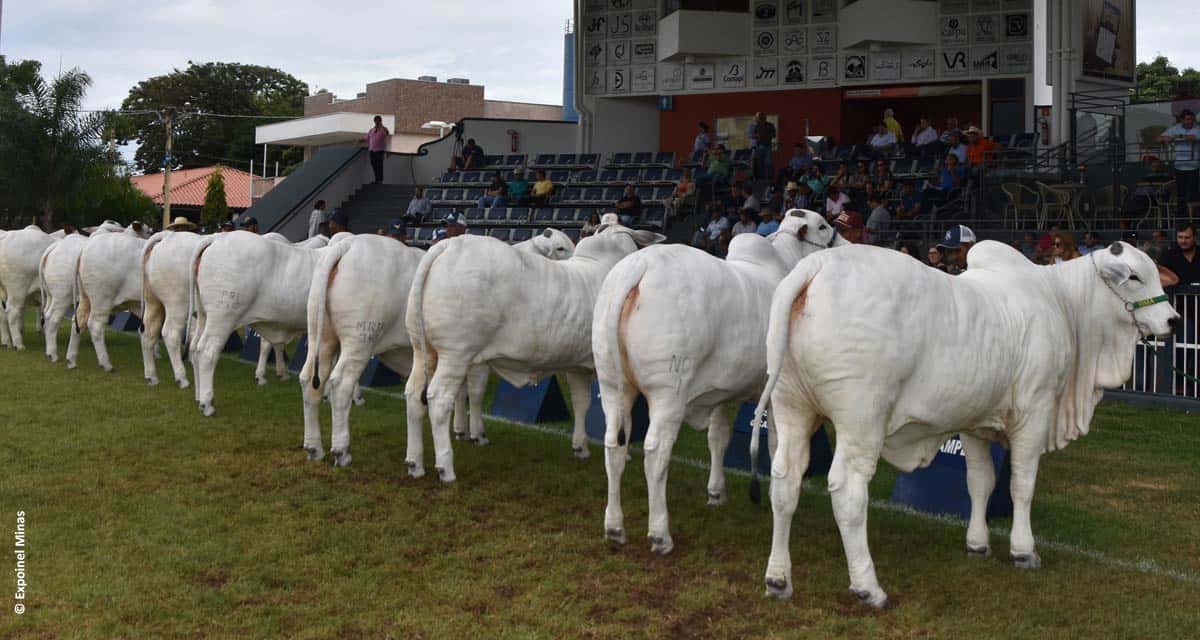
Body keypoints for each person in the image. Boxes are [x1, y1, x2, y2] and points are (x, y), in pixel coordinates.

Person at [1158, 109, 1199, 220]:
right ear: (1182, 120)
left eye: (1191, 119)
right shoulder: (1175, 129)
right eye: (1187, 119)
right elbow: (1160, 138)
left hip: (1194, 166)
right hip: (1179, 166)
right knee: (1181, 193)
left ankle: (1194, 219)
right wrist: (1168, 138)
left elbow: (1194, 137)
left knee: (1193, 193)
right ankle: (1182, 218)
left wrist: (1178, 136)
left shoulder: (1196, 129)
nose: (1190, 121)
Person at [748, 112, 777, 180]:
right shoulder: (753, 125)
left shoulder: (770, 125)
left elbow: (774, 134)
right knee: (759, 163)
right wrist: (758, 136)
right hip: (757, 146)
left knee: (768, 162)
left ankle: (769, 178)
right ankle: (761, 178)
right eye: (759, 118)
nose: (761, 119)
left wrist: (766, 135)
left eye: (762, 117)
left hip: (767, 146)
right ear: (756, 118)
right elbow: (751, 135)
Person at [365, 115, 389, 184]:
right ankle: (376, 179)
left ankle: (380, 180)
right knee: (373, 164)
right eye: (376, 121)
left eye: (378, 121)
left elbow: (387, 137)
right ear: (374, 121)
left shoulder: (384, 129)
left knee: (379, 165)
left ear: (380, 121)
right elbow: (367, 139)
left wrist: (387, 151)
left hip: (380, 150)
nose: (377, 122)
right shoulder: (371, 130)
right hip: (372, 150)